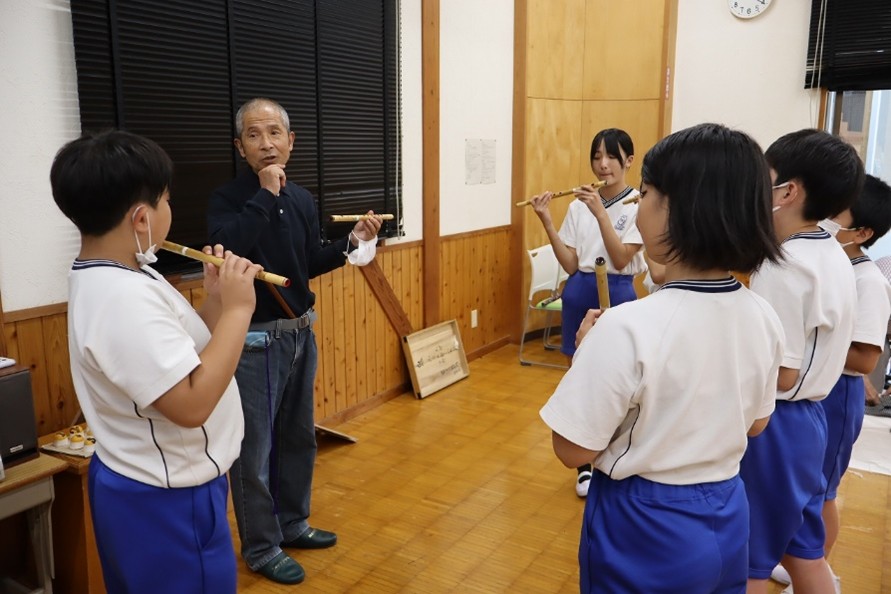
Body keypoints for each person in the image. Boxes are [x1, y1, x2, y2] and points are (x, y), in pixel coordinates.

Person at [540, 123, 784, 593]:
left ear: (681, 211)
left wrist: (585, 357)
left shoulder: (627, 326)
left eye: (645, 193)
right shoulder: (763, 315)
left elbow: (572, 449)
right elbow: (756, 425)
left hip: (644, 523)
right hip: (728, 507)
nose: (637, 205)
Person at [50, 130, 261, 594]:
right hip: (165, 496)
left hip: (148, 481)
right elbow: (190, 405)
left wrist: (218, 303)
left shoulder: (123, 272)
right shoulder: (122, 297)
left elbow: (182, 357)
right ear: (142, 217)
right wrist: (242, 311)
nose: (170, 210)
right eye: (166, 200)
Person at [207, 97, 382, 585]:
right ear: (240, 146)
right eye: (255, 135)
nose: (266, 143)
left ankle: (292, 523)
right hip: (255, 342)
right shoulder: (226, 199)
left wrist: (351, 244)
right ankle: (261, 548)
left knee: (299, 438)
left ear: (290, 141)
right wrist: (264, 195)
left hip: (302, 332)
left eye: (274, 133)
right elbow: (229, 252)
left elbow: (308, 263)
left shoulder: (302, 198)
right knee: (255, 448)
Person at [740, 129, 863, 594]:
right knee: (804, 553)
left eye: (764, 181)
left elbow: (783, 372)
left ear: (788, 191)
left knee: (749, 562)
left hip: (778, 426)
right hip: (810, 421)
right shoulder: (831, 251)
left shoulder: (784, 263)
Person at [771, 174, 891, 592]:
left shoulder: (868, 280)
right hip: (815, 384)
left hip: (834, 393)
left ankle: (821, 565)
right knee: (804, 489)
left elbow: (867, 356)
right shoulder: (831, 261)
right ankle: (805, 560)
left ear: (862, 232)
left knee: (821, 491)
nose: (824, 221)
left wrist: (816, 350)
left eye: (836, 215)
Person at [529, 128, 646, 498]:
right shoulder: (579, 205)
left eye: (611, 156)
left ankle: (616, 455)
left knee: (617, 378)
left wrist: (600, 214)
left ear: (629, 160)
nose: (602, 164)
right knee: (579, 373)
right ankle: (584, 467)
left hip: (618, 290)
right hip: (580, 289)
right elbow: (570, 262)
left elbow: (622, 257)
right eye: (596, 156)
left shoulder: (638, 204)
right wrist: (547, 220)